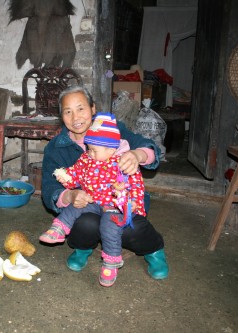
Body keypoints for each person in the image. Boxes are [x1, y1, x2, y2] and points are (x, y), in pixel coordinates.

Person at [41, 85, 169, 280]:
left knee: (127, 227)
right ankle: (83, 249)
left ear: (93, 109)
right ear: (62, 116)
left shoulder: (112, 129)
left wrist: (137, 154)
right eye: (68, 111)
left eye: (81, 108)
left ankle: (154, 250)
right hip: (88, 206)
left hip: (120, 203)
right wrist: (69, 195)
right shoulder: (56, 147)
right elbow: (50, 186)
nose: (76, 118)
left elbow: (150, 150)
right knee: (85, 224)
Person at [39, 112, 146, 286]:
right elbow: (76, 172)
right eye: (88, 148)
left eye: (94, 150)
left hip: (114, 206)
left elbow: (136, 185)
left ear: (111, 149)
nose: (90, 153)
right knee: (75, 207)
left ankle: (111, 262)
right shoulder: (87, 158)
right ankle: (59, 229)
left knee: (109, 227)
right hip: (93, 200)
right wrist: (66, 177)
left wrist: (134, 203)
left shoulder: (122, 163)